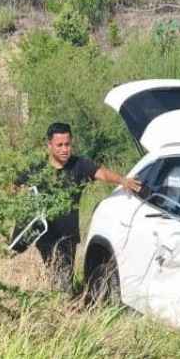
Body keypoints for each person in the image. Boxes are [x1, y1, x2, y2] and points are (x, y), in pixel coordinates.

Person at [16, 122, 141, 292]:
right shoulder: (37, 168)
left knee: (62, 277)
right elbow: (14, 187)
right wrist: (21, 200)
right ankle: (61, 302)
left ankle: (61, 303)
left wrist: (123, 180)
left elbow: (102, 173)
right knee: (59, 275)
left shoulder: (79, 165)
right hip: (45, 233)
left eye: (67, 144)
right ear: (49, 145)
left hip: (68, 235)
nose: (64, 149)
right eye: (59, 145)